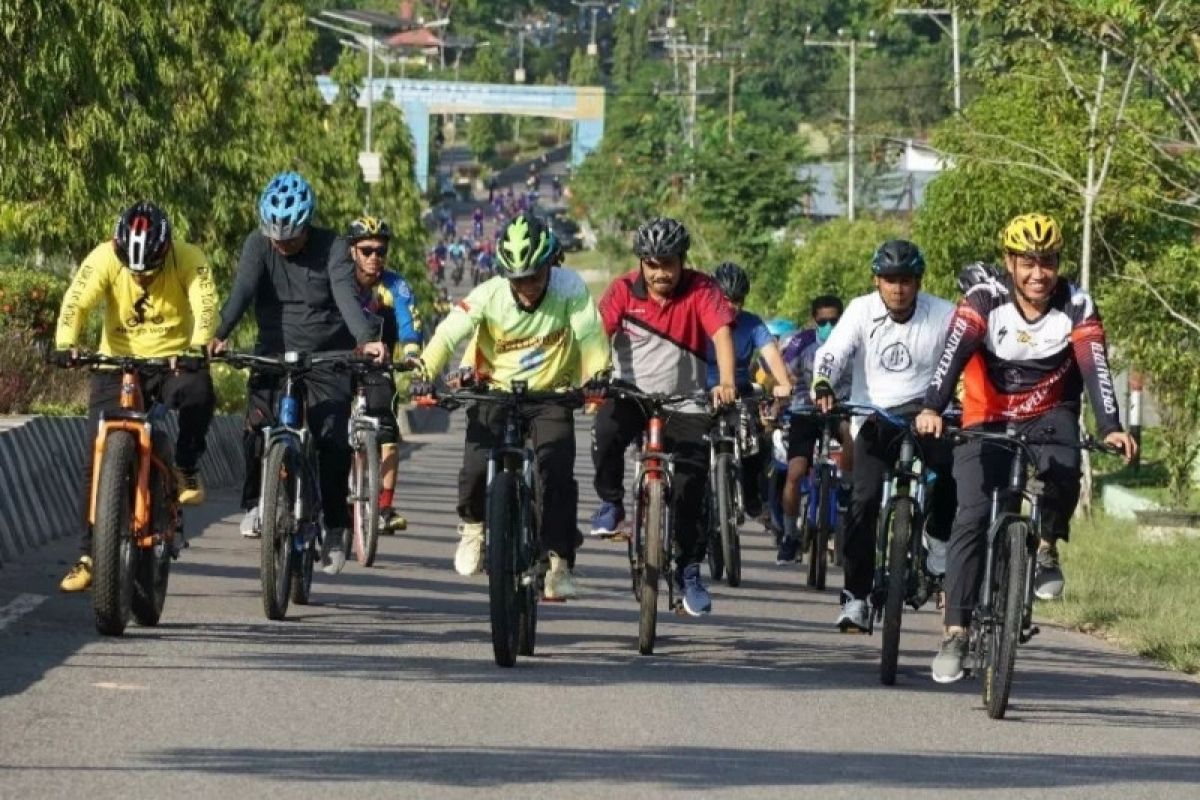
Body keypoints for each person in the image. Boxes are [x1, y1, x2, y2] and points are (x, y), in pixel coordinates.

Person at [915, 213, 1137, 683]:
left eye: (1049, 262)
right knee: (972, 515)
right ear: (1010, 262)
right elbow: (951, 356)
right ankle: (955, 630)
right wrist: (933, 406)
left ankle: (1048, 546)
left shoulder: (1077, 303)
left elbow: (1095, 366)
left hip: (1050, 412)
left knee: (1063, 469)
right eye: (1028, 262)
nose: (1039, 273)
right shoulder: (983, 299)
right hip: (986, 415)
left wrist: (1112, 425)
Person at [414, 212, 610, 599]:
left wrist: (597, 375)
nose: (526, 288)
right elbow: (449, 333)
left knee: (555, 472)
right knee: (473, 466)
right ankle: (473, 527)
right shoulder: (489, 294)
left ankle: (558, 564)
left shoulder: (570, 288)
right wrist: (425, 370)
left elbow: (590, 335)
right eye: (517, 280)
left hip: (550, 394)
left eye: (534, 277)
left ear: (550, 264)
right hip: (497, 390)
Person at [208, 171, 385, 576]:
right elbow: (242, 292)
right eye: (275, 236)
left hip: (328, 355)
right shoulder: (258, 245)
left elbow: (344, 294)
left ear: (307, 225)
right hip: (273, 351)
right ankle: (256, 503)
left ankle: (337, 527)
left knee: (332, 441)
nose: (281, 244)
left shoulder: (334, 248)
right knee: (256, 427)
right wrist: (219, 334)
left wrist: (364, 338)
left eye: (289, 237)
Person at [56, 201, 219, 592]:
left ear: (166, 251)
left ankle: (185, 463)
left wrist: (197, 345)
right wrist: (65, 342)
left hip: (171, 363)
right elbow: (76, 301)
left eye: (150, 269)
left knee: (200, 391)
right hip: (117, 363)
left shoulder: (189, 258)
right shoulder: (103, 257)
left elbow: (206, 305)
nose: (142, 277)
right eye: (134, 270)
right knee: (93, 460)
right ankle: (89, 555)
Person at [590, 217, 738, 617]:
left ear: (681, 262)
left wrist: (725, 382)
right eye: (652, 264)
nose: (660, 273)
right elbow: (594, 334)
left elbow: (722, 334)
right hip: (630, 394)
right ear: (641, 263)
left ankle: (689, 570)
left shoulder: (702, 288)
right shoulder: (622, 290)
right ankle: (611, 503)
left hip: (684, 399)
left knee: (692, 482)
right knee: (605, 430)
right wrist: (588, 376)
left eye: (668, 264)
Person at [811, 240, 959, 633]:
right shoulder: (860, 310)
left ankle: (937, 543)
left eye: (906, 280)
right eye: (890, 280)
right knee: (862, 502)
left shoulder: (943, 314)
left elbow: (966, 357)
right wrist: (823, 383)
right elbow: (833, 352)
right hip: (874, 419)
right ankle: (856, 598)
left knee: (952, 475)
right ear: (876, 280)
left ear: (918, 281)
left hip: (929, 416)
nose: (898, 288)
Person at [346, 215, 422, 533]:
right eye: (366, 250)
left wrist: (411, 353)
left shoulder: (395, 285)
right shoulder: (339, 282)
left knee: (388, 435)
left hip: (379, 366)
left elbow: (408, 322)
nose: (374, 257)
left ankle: (384, 507)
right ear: (352, 251)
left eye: (381, 251)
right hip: (339, 363)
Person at [706, 262, 793, 523]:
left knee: (757, 440)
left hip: (740, 390)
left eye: (738, 300)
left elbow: (770, 354)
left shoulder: (752, 323)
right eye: (725, 300)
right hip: (701, 389)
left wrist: (783, 382)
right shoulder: (699, 318)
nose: (731, 306)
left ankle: (753, 494)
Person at [777, 294, 854, 565]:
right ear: (813, 321)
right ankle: (790, 535)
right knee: (796, 472)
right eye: (823, 321)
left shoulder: (854, 340)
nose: (829, 326)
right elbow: (782, 371)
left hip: (842, 408)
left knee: (850, 434)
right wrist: (782, 387)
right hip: (805, 409)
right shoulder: (802, 342)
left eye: (835, 320)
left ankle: (846, 486)